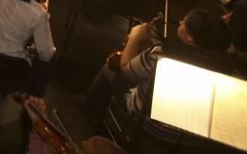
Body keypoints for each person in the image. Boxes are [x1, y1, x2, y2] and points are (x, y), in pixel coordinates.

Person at [84, 9, 231, 129]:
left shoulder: (162, 54)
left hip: (151, 124)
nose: (180, 22)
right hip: (192, 136)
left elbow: (126, 71)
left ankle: (89, 117)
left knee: (110, 68)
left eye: (184, 23)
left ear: (190, 38)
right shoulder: (225, 69)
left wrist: (135, 37)